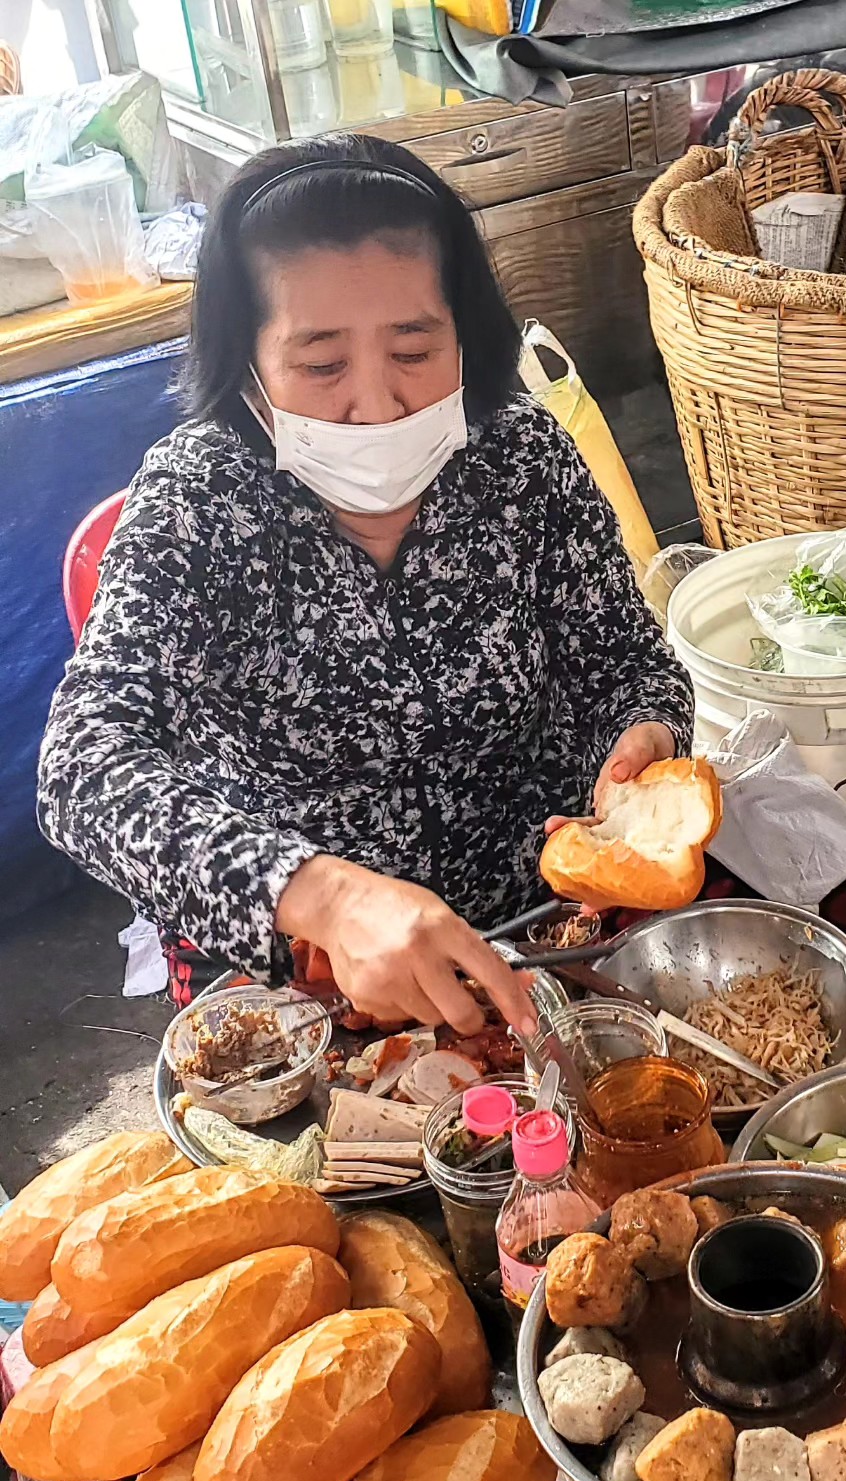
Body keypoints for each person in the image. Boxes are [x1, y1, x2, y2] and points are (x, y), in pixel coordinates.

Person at [36, 133, 694, 1037]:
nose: (378, 404)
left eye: (415, 351)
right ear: (248, 367)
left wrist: (642, 742)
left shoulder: (521, 458)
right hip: (304, 976)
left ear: (465, 338)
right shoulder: (198, 501)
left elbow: (629, 662)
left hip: (542, 935)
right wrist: (324, 897)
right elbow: (82, 769)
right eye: (321, 365)